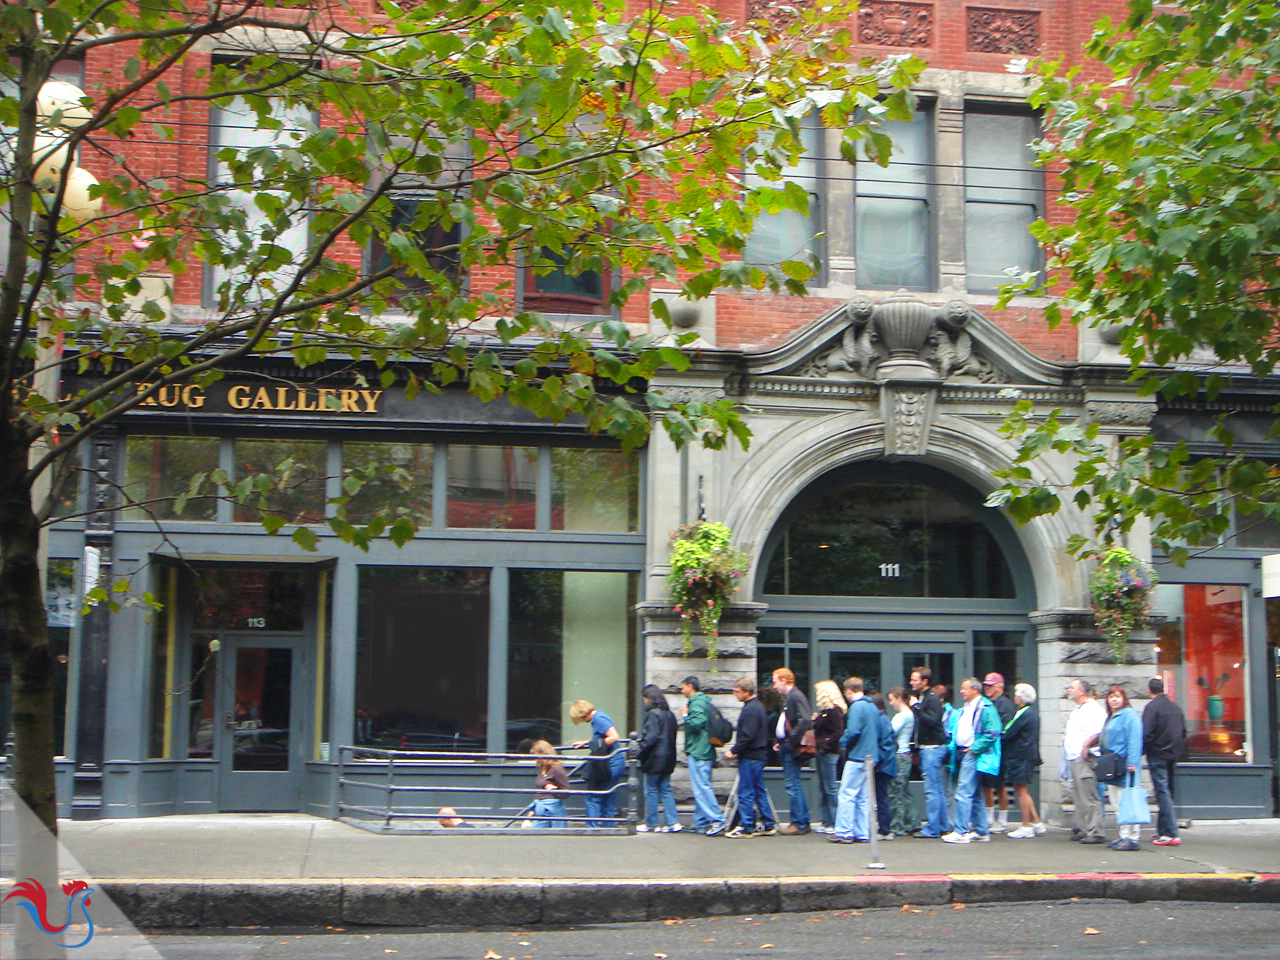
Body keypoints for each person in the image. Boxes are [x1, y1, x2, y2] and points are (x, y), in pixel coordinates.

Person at [941, 677, 1001, 844]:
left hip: (972, 753)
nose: (961, 691)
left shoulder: (986, 707)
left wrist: (975, 748)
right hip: (962, 752)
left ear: (975, 689)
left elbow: (993, 732)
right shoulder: (966, 708)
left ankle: (960, 831)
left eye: (964, 688)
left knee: (963, 791)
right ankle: (981, 831)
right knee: (974, 793)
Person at [828, 676, 880, 844]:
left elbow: (854, 731)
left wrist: (841, 742)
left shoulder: (856, 707)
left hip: (857, 756)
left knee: (846, 794)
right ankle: (862, 832)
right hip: (871, 756)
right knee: (864, 796)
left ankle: (844, 831)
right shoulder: (872, 707)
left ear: (849, 691)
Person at [723, 676, 774, 838]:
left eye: (737, 692)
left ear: (747, 692)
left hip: (750, 756)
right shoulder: (757, 707)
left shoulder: (750, 709)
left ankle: (747, 826)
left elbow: (748, 735)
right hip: (758, 755)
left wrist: (734, 750)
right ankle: (768, 824)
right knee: (759, 790)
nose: (735, 694)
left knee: (746, 792)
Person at [1062, 678, 1107, 845]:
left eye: (1072, 687)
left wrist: (1087, 746)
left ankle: (1095, 831)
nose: (1069, 690)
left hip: (1085, 758)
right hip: (1074, 756)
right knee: (1079, 795)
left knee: (1089, 795)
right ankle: (1083, 828)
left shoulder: (1093, 709)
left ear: (1081, 691)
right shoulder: (1078, 710)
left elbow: (1099, 732)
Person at [1143, 676, 1186, 846]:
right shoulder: (1175, 708)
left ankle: (1171, 833)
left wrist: (1143, 751)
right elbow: (1182, 733)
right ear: (1163, 689)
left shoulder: (1151, 708)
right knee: (1167, 792)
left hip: (1157, 754)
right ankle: (1162, 830)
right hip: (1172, 755)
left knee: (1162, 792)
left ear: (1149, 691)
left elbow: (1146, 734)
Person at [680, 675, 726, 836]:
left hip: (699, 751)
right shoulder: (704, 701)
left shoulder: (696, 703)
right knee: (702, 785)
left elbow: (697, 723)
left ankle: (717, 820)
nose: (681, 690)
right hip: (704, 750)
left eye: (683, 686)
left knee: (701, 788)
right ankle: (700, 823)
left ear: (690, 686)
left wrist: (685, 716)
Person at [570, 699, 626, 828]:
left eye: (581, 718)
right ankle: (608, 826)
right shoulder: (600, 717)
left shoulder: (599, 719)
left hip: (610, 763)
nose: (583, 721)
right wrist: (587, 742)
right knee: (608, 796)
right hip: (614, 762)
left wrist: (593, 744)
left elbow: (614, 737)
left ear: (583, 714)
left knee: (592, 796)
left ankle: (592, 827)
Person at [771, 668, 814, 836]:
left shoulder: (795, 696)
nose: (774, 686)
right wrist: (779, 740)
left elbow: (805, 720)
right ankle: (801, 821)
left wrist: (790, 742)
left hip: (791, 747)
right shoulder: (791, 697)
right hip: (788, 745)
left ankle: (799, 822)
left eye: (775, 682)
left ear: (783, 680)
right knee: (793, 784)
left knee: (792, 784)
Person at [1101, 684, 1143, 851]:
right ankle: (1123, 835)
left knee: (1128, 802)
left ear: (1124, 699)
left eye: (1117, 696)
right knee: (1116, 802)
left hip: (1126, 765)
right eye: (1111, 696)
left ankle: (1132, 837)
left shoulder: (1130, 716)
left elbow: (1134, 740)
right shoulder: (1111, 716)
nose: (1114, 699)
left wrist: (1132, 762)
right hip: (1112, 763)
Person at [909, 667, 950, 838]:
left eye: (915, 679)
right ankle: (941, 825)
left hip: (932, 747)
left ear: (925, 681)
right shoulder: (927, 697)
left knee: (932, 790)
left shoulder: (930, 698)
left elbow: (933, 720)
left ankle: (933, 828)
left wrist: (916, 707)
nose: (911, 682)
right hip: (931, 747)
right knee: (937, 788)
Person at [1001, 683, 1044, 838]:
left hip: (1020, 756)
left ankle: (1026, 825)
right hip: (1027, 755)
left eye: (1017, 695)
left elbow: (1008, 731)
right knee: (1023, 789)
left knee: (1021, 791)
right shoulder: (1032, 713)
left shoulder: (1023, 713)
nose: (1015, 698)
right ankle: (1037, 823)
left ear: (1021, 697)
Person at [637, 683, 682, 833]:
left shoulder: (653, 714)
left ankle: (652, 823)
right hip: (669, 757)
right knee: (665, 789)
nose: (644, 702)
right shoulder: (670, 714)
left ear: (649, 698)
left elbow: (651, 738)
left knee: (650, 790)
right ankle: (673, 822)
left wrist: (638, 751)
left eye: (644, 699)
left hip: (655, 758)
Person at [980, 672, 1016, 833]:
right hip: (988, 751)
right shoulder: (985, 703)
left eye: (990, 686)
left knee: (1000, 785)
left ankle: (1002, 820)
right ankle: (989, 818)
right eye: (985, 686)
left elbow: (1004, 729)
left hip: (1000, 751)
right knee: (986, 785)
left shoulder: (1005, 705)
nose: (987, 688)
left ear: (1000, 687)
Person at [812, 679, 846, 835]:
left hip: (829, 753)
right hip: (822, 752)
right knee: (824, 787)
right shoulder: (825, 711)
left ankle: (834, 821)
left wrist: (826, 744)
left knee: (830, 788)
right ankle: (826, 821)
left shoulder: (834, 711)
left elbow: (838, 732)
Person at [886, 687, 917, 837]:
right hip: (905, 755)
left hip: (899, 755)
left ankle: (897, 825)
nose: (891, 703)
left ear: (899, 698)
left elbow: (890, 732)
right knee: (904, 791)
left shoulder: (902, 716)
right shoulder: (909, 714)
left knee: (896, 791)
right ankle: (913, 821)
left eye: (892, 699)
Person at [529, 740, 569, 828]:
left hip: (554, 808)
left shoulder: (557, 769)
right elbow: (539, 792)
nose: (535, 759)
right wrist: (530, 815)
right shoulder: (542, 768)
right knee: (534, 832)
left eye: (536, 756)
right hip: (541, 808)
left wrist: (554, 790)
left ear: (543, 753)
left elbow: (566, 792)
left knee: (558, 835)